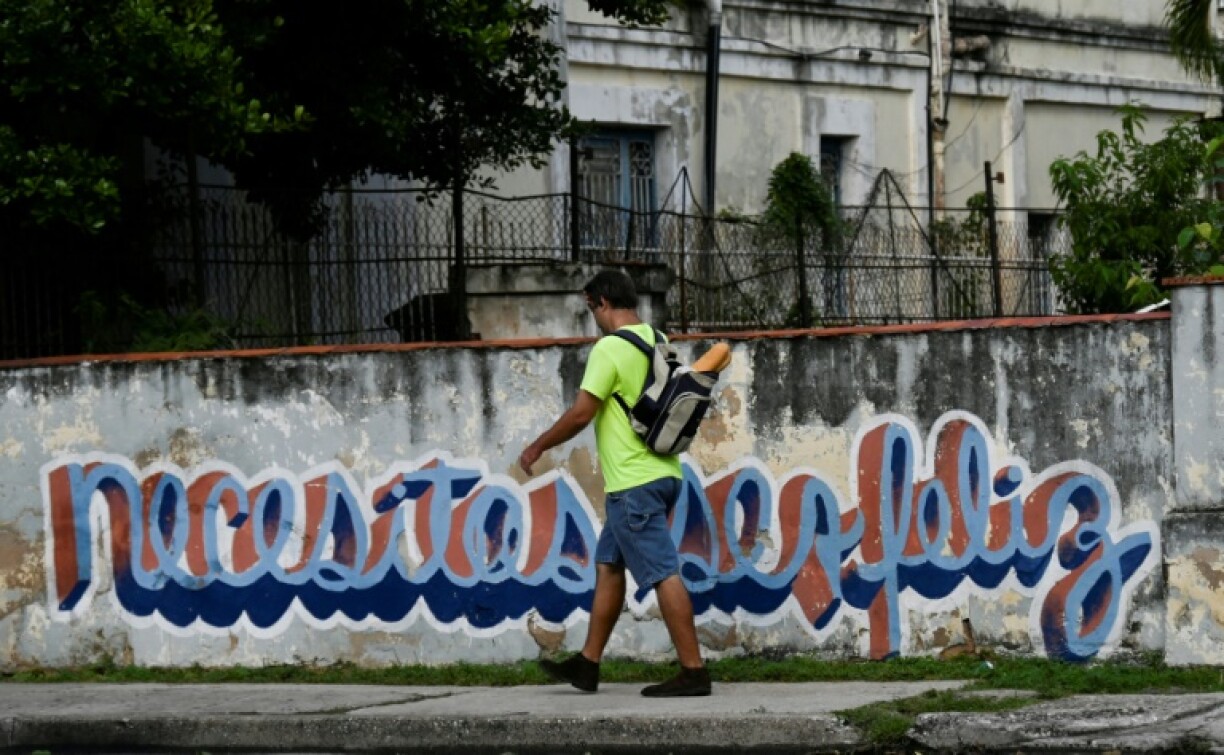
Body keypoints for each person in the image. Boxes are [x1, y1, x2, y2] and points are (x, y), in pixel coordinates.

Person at [519, 269, 711, 698]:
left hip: (633, 483)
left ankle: (694, 671)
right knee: (609, 566)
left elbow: (581, 414)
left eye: (591, 308)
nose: (593, 317)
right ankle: (588, 664)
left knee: (662, 571)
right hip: (665, 474)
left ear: (602, 302)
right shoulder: (657, 340)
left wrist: (537, 447)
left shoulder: (609, 348)